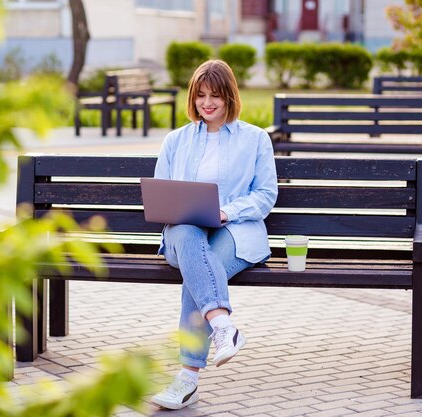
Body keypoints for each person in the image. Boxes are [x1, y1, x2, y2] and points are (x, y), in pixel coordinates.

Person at [150, 60, 278, 410]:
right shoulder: (175, 140)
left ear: (230, 97)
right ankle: (223, 325)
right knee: (190, 236)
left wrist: (226, 212)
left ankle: (187, 379)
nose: (207, 103)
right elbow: (163, 191)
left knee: (199, 276)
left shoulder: (255, 139)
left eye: (216, 96)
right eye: (201, 95)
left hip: (235, 233)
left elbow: (266, 195)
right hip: (184, 234)